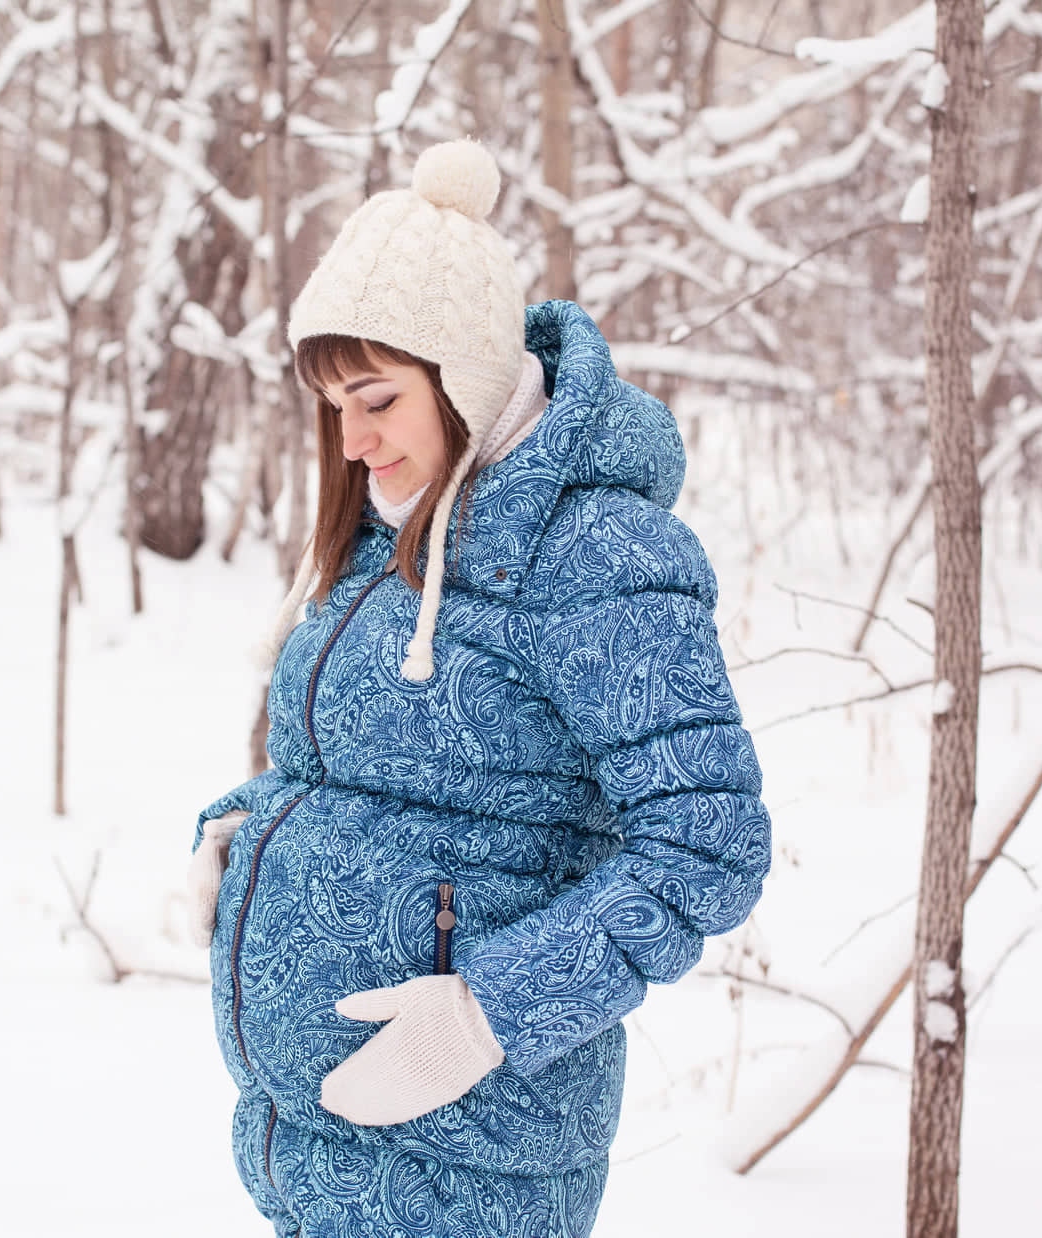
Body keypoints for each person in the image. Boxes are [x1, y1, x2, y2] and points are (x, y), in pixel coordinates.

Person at [186, 140, 771, 1238]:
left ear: (463, 377)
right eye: (330, 407)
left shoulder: (597, 555)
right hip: (318, 1154)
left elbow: (707, 843)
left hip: (470, 1167)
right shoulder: (392, 531)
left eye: (375, 399)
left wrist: (487, 1013)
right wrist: (246, 829)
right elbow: (384, 779)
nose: (352, 443)